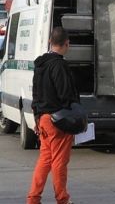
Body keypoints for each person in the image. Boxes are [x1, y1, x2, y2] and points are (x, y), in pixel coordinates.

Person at [28, 27, 78, 204]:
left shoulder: (40, 65)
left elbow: (35, 93)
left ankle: (33, 198)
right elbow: (65, 94)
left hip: (43, 119)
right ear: (66, 44)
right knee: (59, 162)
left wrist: (36, 117)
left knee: (45, 160)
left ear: (50, 41)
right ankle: (62, 199)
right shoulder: (60, 65)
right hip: (58, 119)